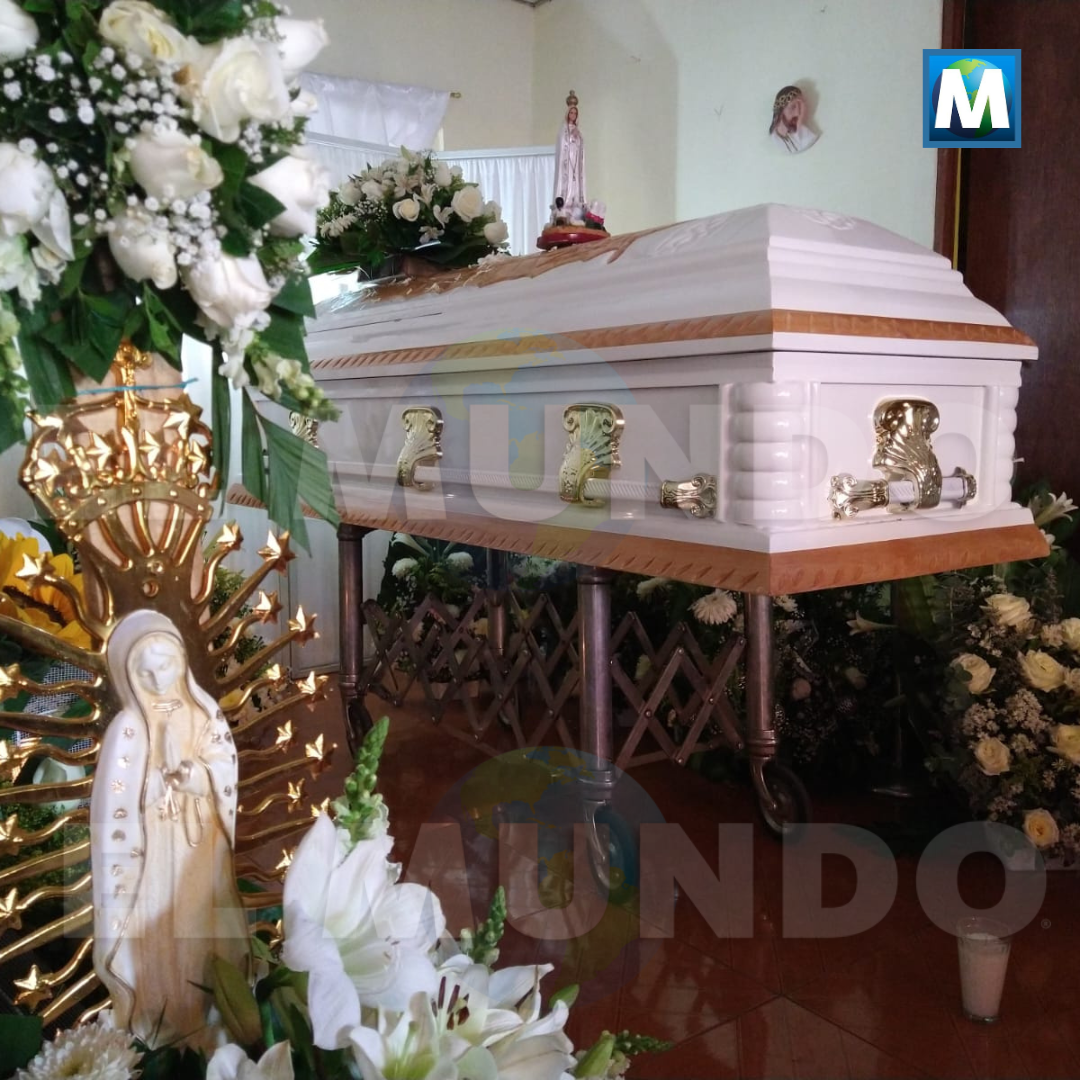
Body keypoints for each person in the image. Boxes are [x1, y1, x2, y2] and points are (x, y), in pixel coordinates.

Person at [91, 609, 249, 1051]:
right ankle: (162, 1017)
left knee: (199, 923)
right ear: (128, 675)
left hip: (199, 847)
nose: (159, 680)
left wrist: (200, 776)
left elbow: (224, 764)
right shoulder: (127, 728)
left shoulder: (203, 711)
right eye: (146, 672)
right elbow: (114, 800)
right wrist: (153, 787)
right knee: (157, 931)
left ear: (181, 660)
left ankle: (206, 1013)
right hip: (150, 858)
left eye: (165, 666)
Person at [552, 91, 587, 223]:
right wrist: (570, 138)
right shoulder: (563, 130)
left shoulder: (579, 131)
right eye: (571, 113)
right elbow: (562, 145)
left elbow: (581, 147)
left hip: (575, 161)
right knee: (567, 183)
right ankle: (564, 204)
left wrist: (577, 138)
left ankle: (575, 204)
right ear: (568, 114)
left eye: (575, 113)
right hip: (567, 161)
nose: (573, 115)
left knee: (575, 181)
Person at [769, 85, 819, 154]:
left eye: (800, 107)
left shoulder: (799, 133)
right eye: (792, 107)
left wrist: (800, 121)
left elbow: (809, 140)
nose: (797, 114)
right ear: (780, 111)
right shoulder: (775, 139)